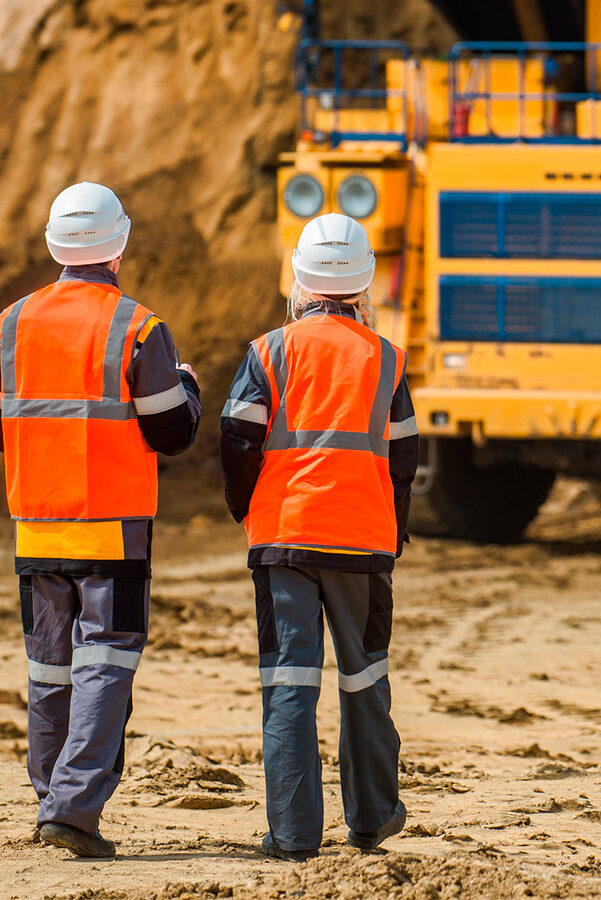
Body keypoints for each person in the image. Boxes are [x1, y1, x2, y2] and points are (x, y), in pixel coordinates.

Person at [3, 182, 202, 858]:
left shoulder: (10, 324)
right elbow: (172, 431)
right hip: (111, 529)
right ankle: (75, 808)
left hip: (35, 525)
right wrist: (190, 386)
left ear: (56, 246)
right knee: (104, 664)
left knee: (50, 667)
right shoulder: (137, 327)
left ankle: (51, 796)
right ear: (117, 246)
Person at [219, 213, 417, 860]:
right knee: (365, 683)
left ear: (300, 281)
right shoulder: (386, 358)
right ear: (363, 288)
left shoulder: (267, 351)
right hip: (364, 545)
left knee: (289, 684)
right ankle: (373, 818)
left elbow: (238, 437)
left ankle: (296, 836)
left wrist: (244, 508)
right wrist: (395, 530)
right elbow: (405, 459)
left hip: (284, 542)